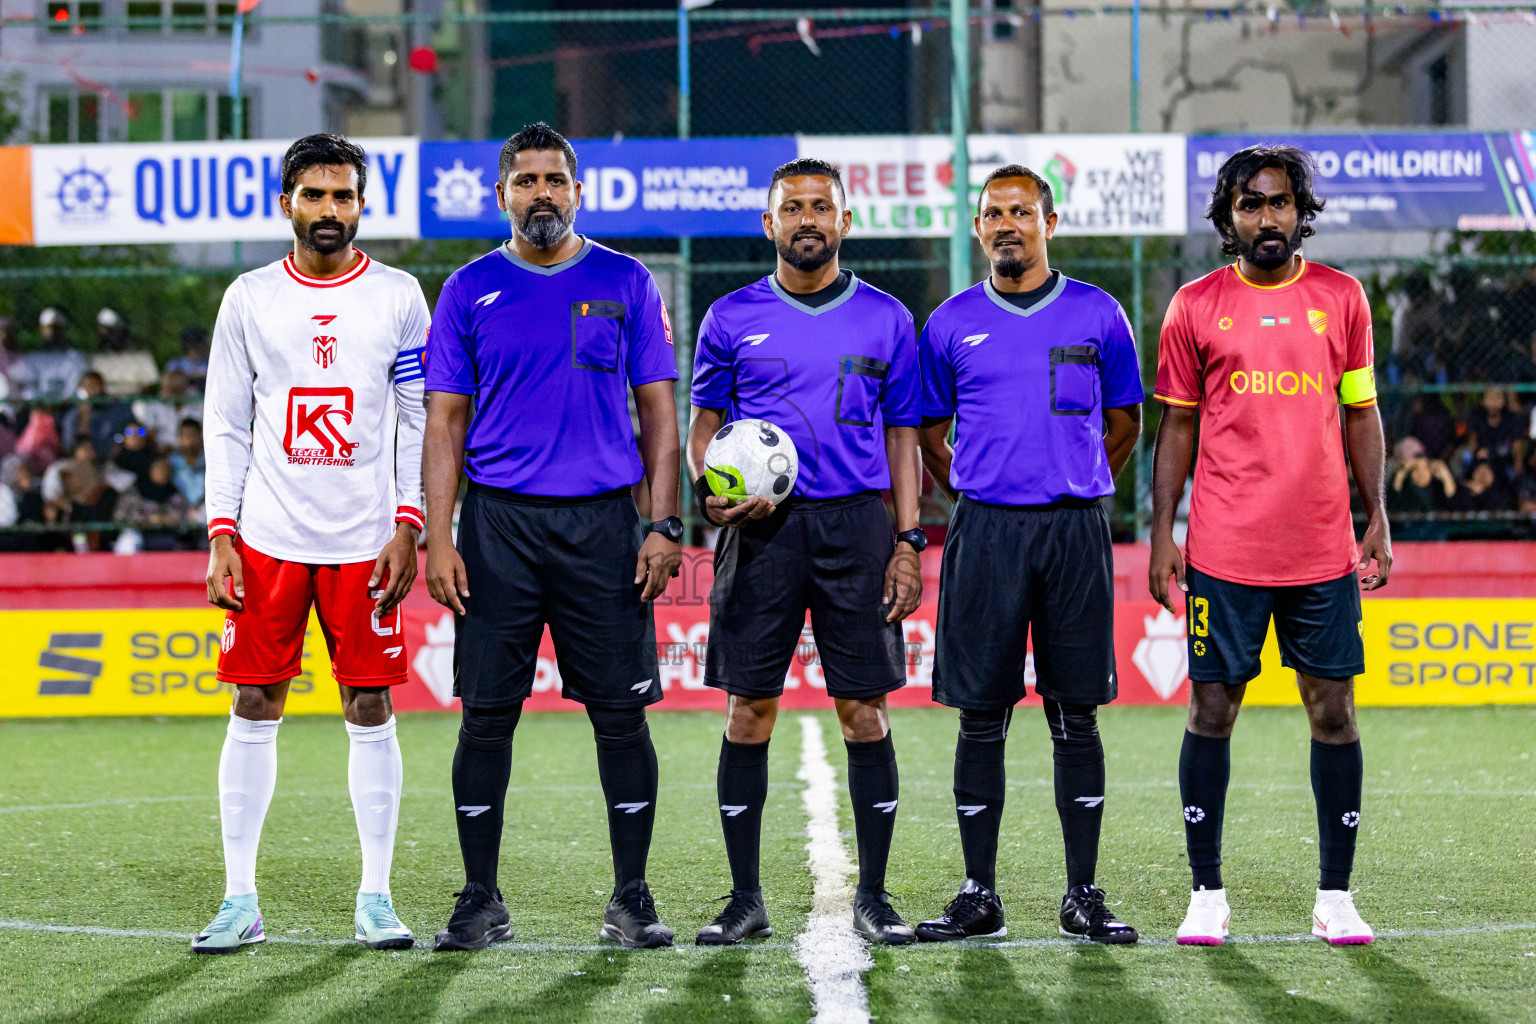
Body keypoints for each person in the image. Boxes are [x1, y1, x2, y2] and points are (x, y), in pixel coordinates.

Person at [423, 123, 682, 952]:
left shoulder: (628, 280)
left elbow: (661, 421)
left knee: (620, 717)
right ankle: (479, 898)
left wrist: (663, 524)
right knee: (486, 716)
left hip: (603, 526)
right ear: (502, 195)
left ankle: (632, 897)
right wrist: (439, 535)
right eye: (526, 180)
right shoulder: (468, 289)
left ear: (578, 191)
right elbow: (444, 425)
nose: (542, 193)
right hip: (497, 524)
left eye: (555, 180)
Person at [1149, 144, 1391, 947]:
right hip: (1224, 551)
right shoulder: (1193, 306)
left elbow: (1360, 413)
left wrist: (1377, 515)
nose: (1266, 218)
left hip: (1321, 550)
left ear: (1300, 212)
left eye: (1280, 202)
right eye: (1250, 205)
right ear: (1229, 219)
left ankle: (1336, 894)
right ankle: (1206, 892)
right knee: (1212, 708)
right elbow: (1177, 425)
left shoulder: (1342, 298)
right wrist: (1162, 533)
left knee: (1335, 711)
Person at [195, 133, 429, 954]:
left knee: (370, 704)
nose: (330, 211)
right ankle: (238, 898)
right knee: (254, 702)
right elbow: (223, 423)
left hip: (367, 540)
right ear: (286, 202)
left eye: (343, 196)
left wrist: (411, 522)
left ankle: (375, 896)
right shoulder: (250, 297)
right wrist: (220, 534)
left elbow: (414, 418)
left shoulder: (399, 296)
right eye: (314, 195)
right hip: (266, 537)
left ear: (362, 204)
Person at [688, 157, 923, 947]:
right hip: (760, 532)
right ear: (769, 224)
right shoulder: (728, 317)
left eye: (822, 206)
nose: (808, 218)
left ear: (845, 221)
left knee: (863, 712)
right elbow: (704, 426)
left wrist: (909, 539)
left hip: (857, 526)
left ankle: (877, 896)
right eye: (793, 207)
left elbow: (904, 439)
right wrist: (709, 492)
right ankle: (744, 897)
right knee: (748, 710)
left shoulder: (887, 318)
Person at [910, 165, 1145, 946]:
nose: (1006, 224)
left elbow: (1123, 425)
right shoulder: (947, 324)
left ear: (1050, 221)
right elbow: (930, 439)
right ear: (978, 229)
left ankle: (1083, 894)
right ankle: (980, 894)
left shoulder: (1101, 314)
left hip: (1074, 530)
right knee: (982, 717)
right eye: (992, 214)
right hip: (986, 532)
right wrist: (983, 483)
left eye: (1020, 211)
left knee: (1075, 715)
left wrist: (1069, 478)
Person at [12, 308, 89, 402]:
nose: (51, 332)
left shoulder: (75, 358)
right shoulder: (33, 357)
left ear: (62, 329)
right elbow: (27, 386)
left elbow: (72, 390)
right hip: (37, 408)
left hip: (64, 407)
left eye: (55, 328)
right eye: (47, 328)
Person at [91, 307, 161, 397]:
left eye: (114, 331)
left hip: (136, 404)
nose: (112, 337)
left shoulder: (142, 357)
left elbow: (152, 385)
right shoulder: (98, 360)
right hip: (106, 406)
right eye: (107, 331)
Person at [61, 370, 134, 455]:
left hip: (114, 458)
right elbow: (69, 445)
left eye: (99, 385)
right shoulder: (73, 416)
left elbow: (133, 430)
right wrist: (84, 419)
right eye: (90, 386)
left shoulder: (117, 409)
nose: (96, 390)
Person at [133, 368, 201, 447]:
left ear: (185, 387)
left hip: (194, 448)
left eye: (177, 389)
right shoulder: (155, 403)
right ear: (164, 388)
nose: (174, 395)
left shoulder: (198, 400)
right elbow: (148, 430)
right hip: (161, 450)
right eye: (170, 389)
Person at [168, 418, 206, 509]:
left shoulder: (210, 459)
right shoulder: (172, 461)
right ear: (179, 438)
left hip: (206, 509)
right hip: (178, 509)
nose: (189, 439)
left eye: (192, 435)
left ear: (200, 436)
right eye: (185, 435)